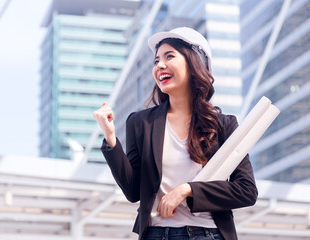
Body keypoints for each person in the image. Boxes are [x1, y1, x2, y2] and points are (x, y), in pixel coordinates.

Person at [93, 27, 258, 240]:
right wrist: (110, 139)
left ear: (193, 63)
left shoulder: (223, 125)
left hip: (208, 234)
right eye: (156, 61)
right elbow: (133, 191)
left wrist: (187, 190)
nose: (159, 65)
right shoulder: (141, 123)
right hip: (155, 234)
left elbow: (246, 191)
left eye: (169, 56)